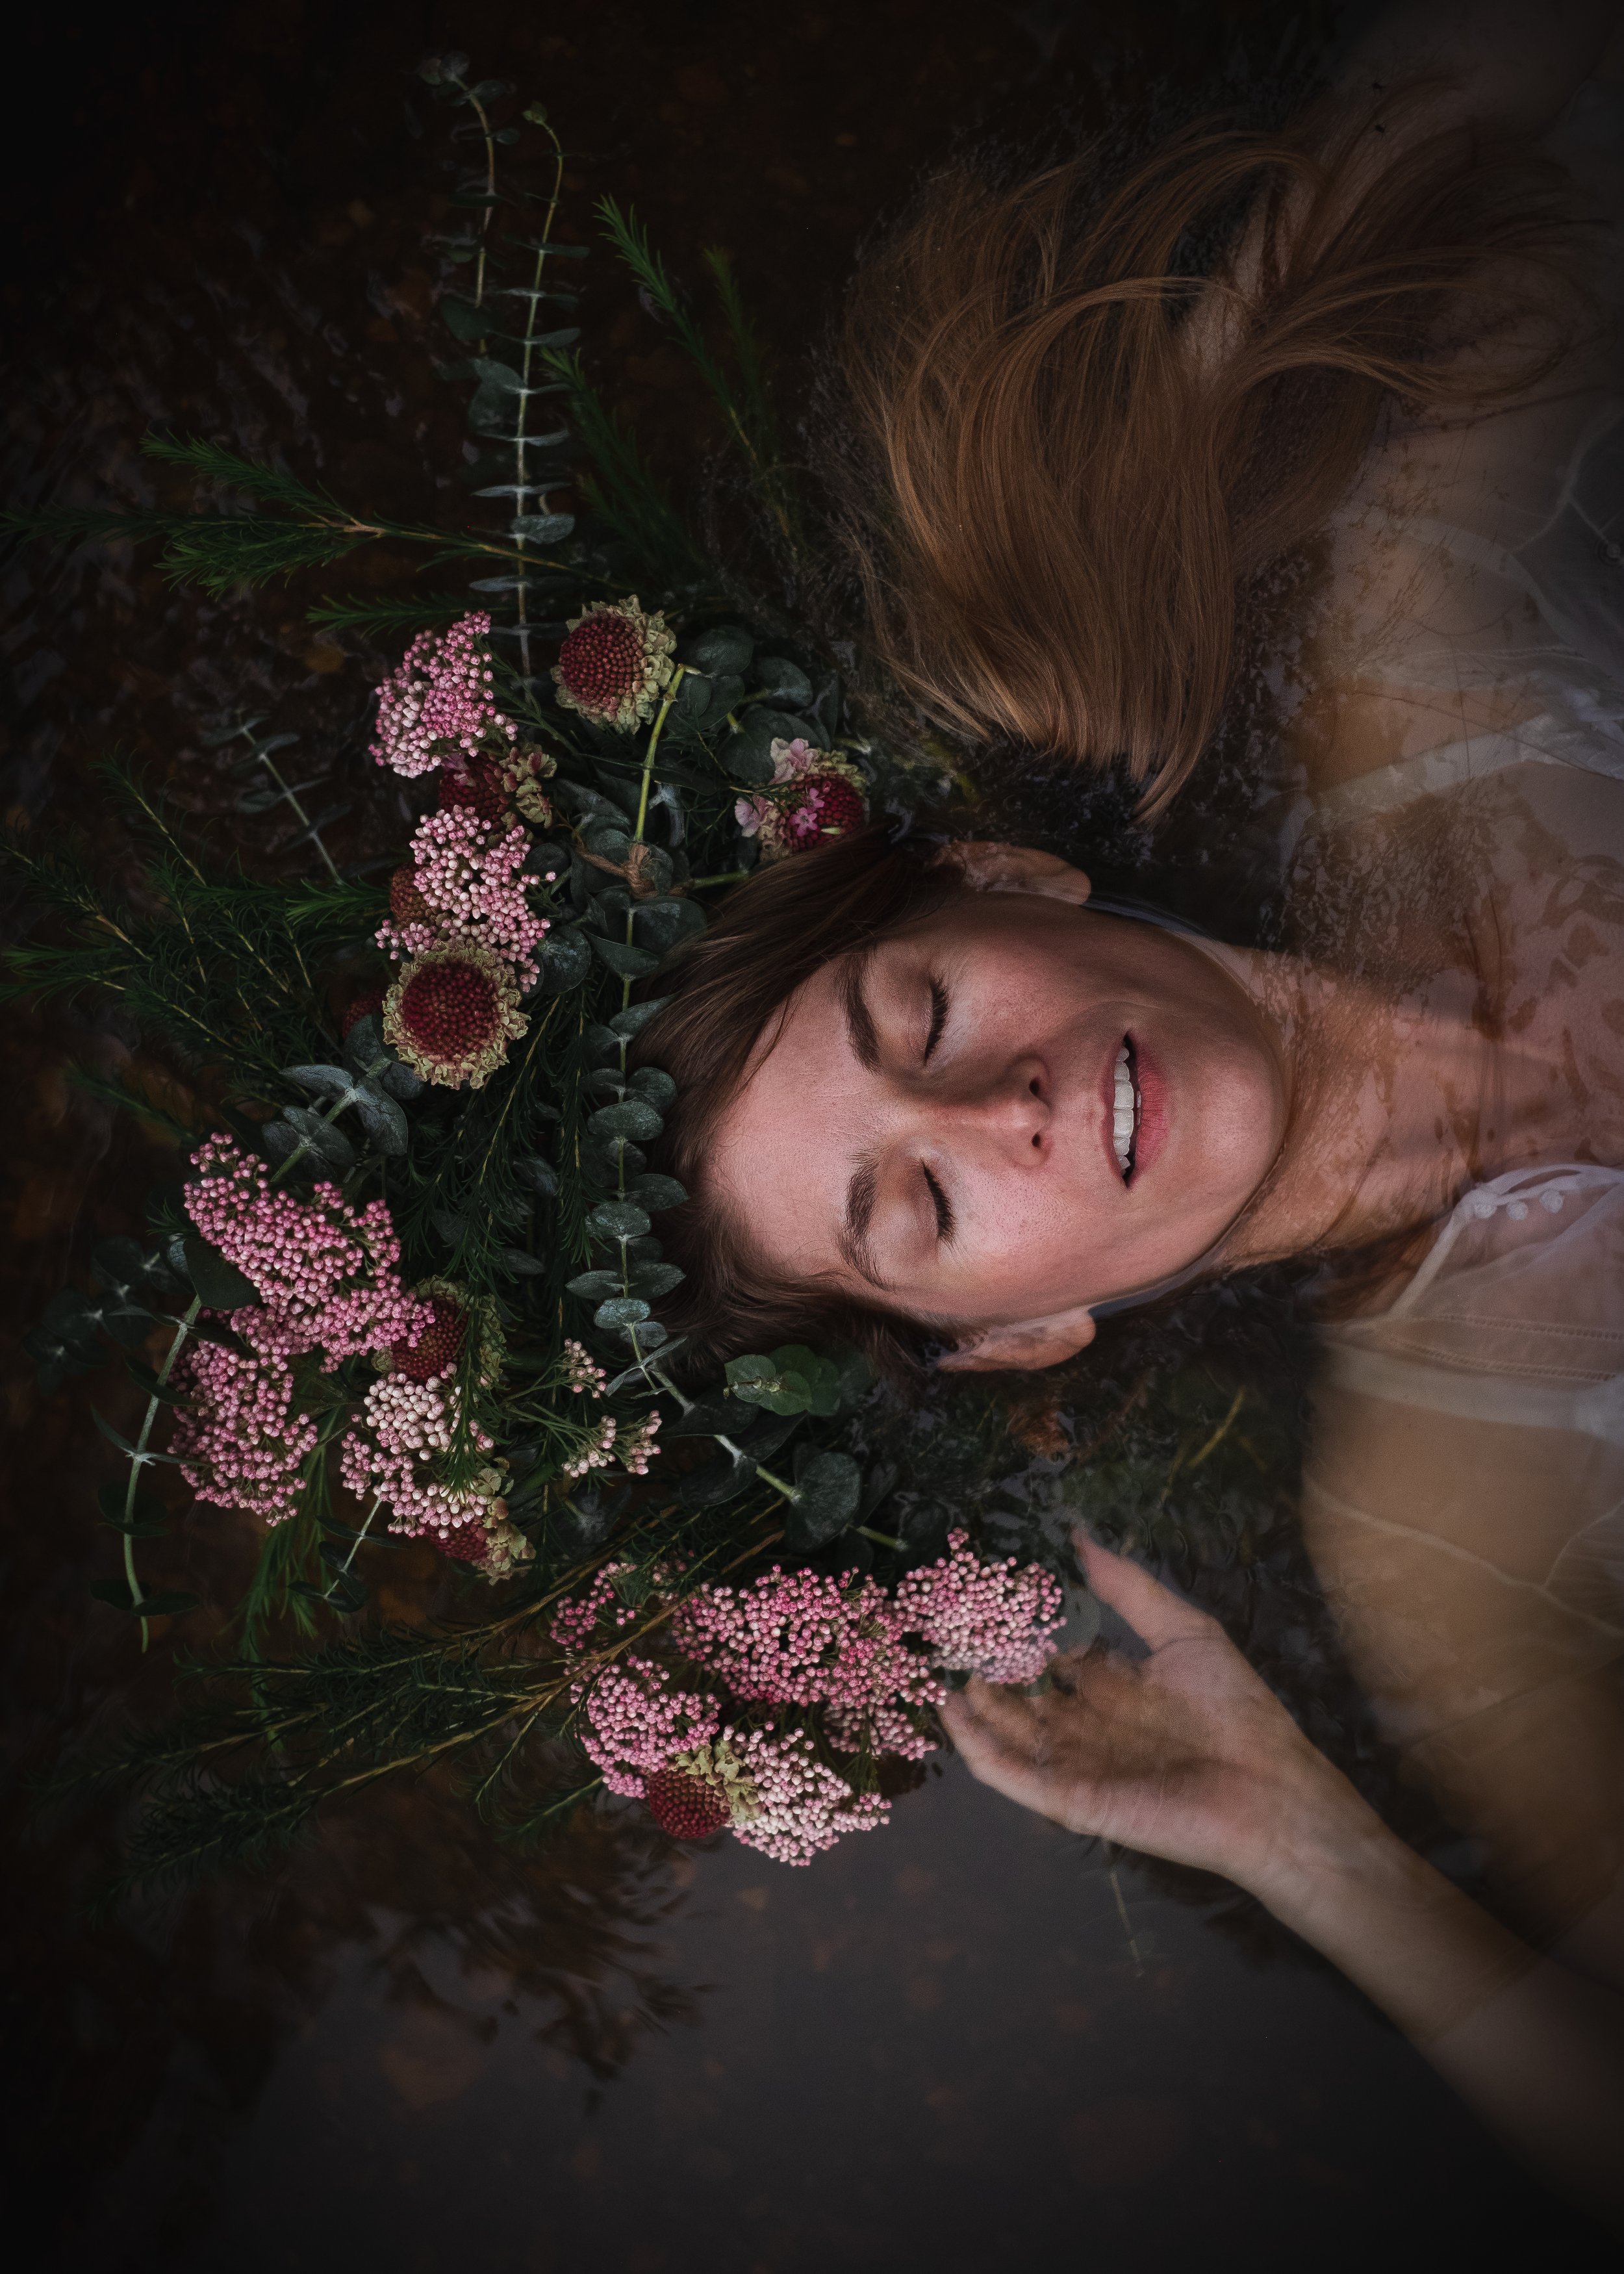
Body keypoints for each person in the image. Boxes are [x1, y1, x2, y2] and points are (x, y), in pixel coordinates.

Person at [634, 0, 1624, 2233]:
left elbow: (1516, 80)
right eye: (913, 1209)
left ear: (1013, 882)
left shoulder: (1412, 641)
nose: (985, 1105)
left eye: (918, 1004)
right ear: (1008, 1342)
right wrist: (1309, 1850)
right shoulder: (1437, 1525)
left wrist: (1250, 357)